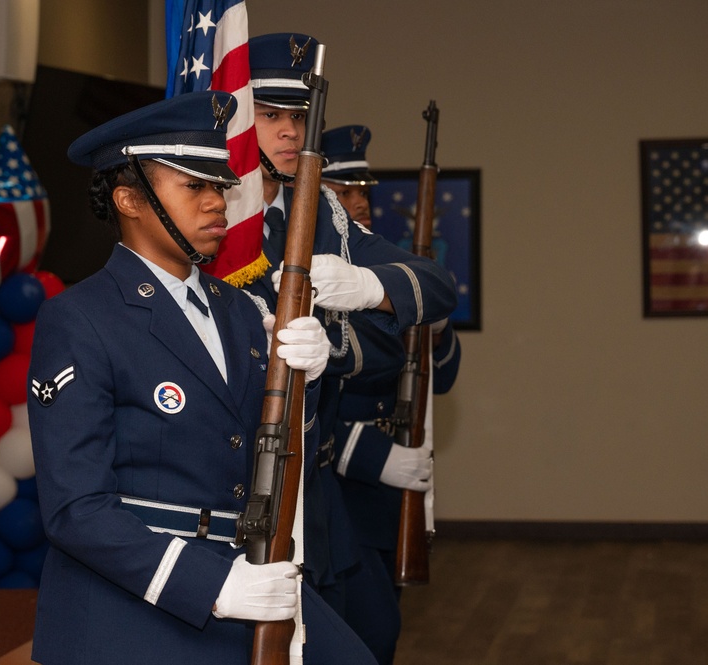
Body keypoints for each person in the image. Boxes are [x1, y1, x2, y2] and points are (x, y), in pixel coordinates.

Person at [27, 91, 377, 665]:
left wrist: (303, 389)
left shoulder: (239, 310)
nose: (218, 201)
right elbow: (75, 508)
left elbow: (282, 460)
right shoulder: (80, 319)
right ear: (129, 200)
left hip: (246, 573)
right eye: (195, 186)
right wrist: (210, 585)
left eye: (218, 185)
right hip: (140, 591)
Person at [242, 33, 459, 618]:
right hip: (239, 479)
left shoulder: (318, 213)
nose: (291, 130)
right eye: (271, 115)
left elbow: (434, 288)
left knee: (372, 632)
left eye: (299, 116)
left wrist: (370, 287)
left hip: (312, 481)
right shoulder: (219, 222)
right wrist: (350, 338)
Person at [320, 124, 463, 664]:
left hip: (385, 498)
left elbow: (440, 380)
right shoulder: (315, 274)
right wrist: (374, 457)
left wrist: (438, 331)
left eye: (363, 192)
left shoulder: (387, 277)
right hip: (336, 485)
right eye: (344, 191)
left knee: (382, 632)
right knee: (368, 634)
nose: (359, 203)